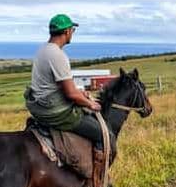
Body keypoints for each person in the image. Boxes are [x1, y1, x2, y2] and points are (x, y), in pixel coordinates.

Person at [25, 14, 111, 148]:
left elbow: (61, 85)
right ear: (66, 32)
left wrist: (81, 93)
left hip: (39, 107)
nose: (72, 33)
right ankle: (97, 169)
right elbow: (70, 94)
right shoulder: (58, 55)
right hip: (54, 112)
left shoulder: (43, 50)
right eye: (72, 30)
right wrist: (91, 104)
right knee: (103, 135)